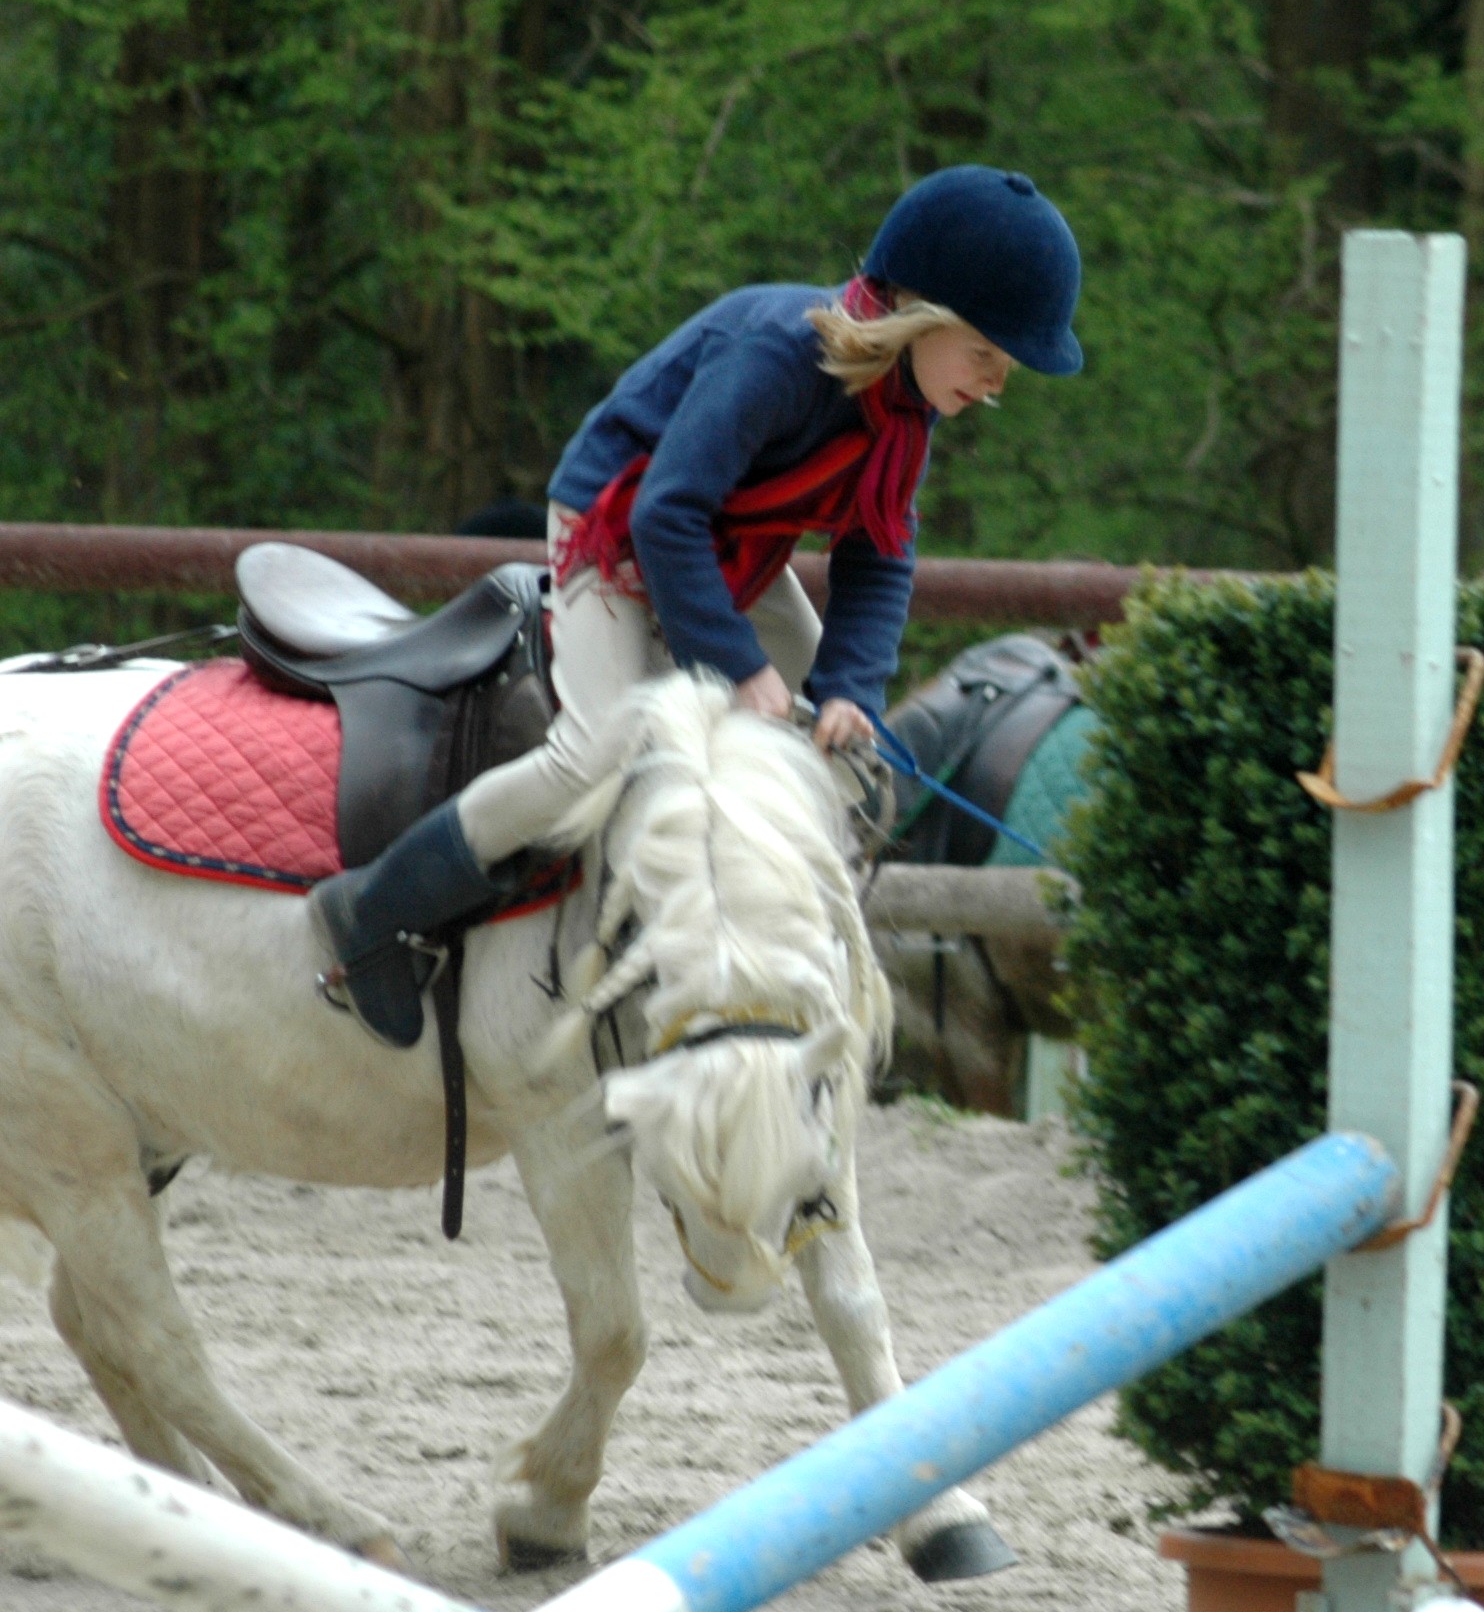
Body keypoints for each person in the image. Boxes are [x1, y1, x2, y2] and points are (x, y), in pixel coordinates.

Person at [310, 166, 1086, 1047]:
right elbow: (664, 515)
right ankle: (374, 907)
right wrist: (740, 667)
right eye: (986, 354)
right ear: (921, 315)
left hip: (731, 542)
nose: (996, 383)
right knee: (591, 754)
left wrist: (850, 691)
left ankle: (755, 960)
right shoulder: (780, 354)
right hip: (616, 521)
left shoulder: (911, 411)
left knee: (841, 760)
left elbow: (878, 557)